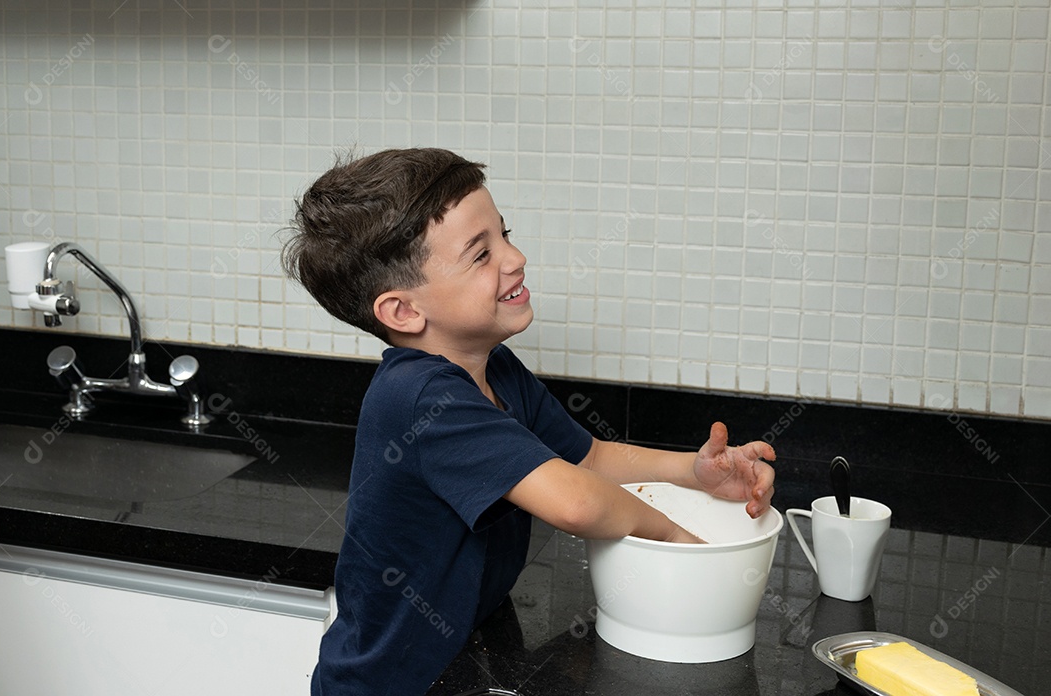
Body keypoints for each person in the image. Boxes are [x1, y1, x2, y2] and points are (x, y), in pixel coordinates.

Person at [281, 147, 777, 695]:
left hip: (464, 648)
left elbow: (588, 459)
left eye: (504, 234)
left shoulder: (492, 365)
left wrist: (693, 472)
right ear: (403, 311)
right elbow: (579, 501)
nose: (514, 257)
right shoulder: (421, 398)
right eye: (480, 255)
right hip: (391, 684)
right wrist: (677, 538)